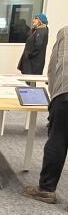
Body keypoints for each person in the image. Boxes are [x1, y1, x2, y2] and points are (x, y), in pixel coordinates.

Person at [23, 25, 68, 205]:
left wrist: (53, 97)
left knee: (58, 139)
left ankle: (47, 190)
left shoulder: (65, 32)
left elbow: (54, 66)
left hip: (65, 93)